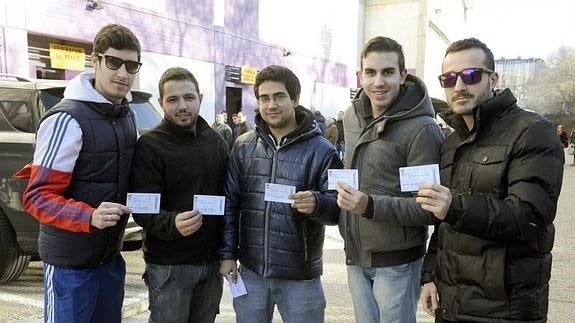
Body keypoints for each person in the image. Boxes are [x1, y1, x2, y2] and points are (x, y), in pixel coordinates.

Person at [417, 37, 564, 322]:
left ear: (493, 78)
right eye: (448, 78)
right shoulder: (450, 144)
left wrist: (455, 206)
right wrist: (429, 276)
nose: (459, 86)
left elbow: (530, 216)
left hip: (504, 308)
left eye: (470, 75)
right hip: (452, 305)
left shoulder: (532, 131)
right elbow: (443, 225)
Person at [22, 24, 141, 322]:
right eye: (113, 62)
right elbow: (37, 197)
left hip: (110, 259)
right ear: (95, 60)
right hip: (69, 267)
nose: (123, 73)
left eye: (132, 65)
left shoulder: (128, 115)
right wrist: (88, 216)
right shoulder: (66, 119)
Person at [219, 65, 343, 323]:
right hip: (251, 272)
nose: (271, 105)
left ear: (295, 100)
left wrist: (318, 203)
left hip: (301, 278)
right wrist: (228, 254)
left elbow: (337, 210)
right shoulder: (243, 146)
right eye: (264, 98)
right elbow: (230, 203)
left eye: (279, 96)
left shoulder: (323, 151)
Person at [335, 36, 443, 323]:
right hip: (356, 256)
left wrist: (369, 206)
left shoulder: (423, 129)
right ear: (360, 75)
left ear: (403, 74)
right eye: (370, 72)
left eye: (387, 72)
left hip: (398, 261)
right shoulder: (351, 117)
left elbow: (426, 209)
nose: (378, 81)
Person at [129, 67, 228, 323]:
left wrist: (228, 252)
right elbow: (141, 206)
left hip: (211, 265)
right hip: (169, 266)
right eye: (173, 100)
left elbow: (231, 199)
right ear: (161, 103)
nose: (182, 106)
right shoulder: (149, 145)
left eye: (189, 98)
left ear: (200, 99)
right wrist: (171, 223)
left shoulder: (216, 142)